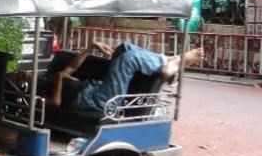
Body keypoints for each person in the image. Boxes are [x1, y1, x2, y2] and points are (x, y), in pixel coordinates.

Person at [47, 41, 203, 112]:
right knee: (129, 58)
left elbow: (73, 67)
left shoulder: (50, 76)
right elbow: (55, 103)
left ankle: (169, 60)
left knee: (124, 48)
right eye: (24, 77)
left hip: (97, 90)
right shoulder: (40, 89)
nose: (25, 76)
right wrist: (59, 79)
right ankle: (171, 65)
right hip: (101, 101)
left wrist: (92, 46)